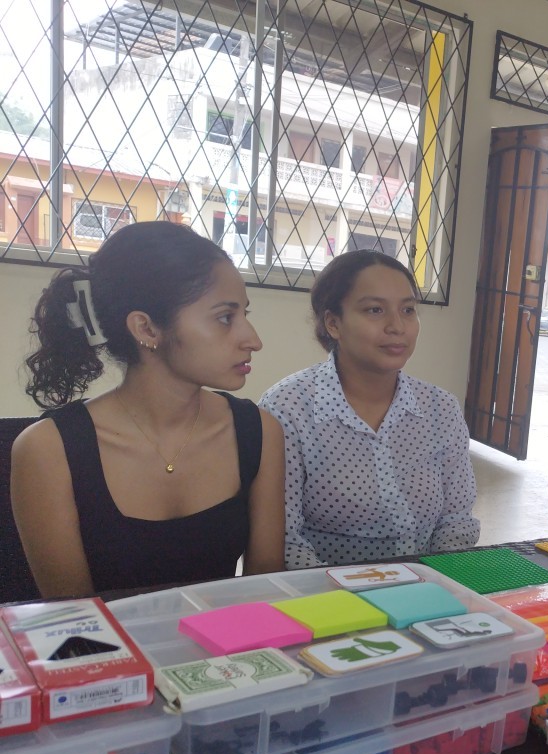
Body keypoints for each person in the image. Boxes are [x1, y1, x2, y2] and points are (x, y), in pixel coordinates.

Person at [11, 221, 285, 597]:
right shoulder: (48, 449)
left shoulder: (259, 431)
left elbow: (263, 588)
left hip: (223, 636)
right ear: (146, 328)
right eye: (225, 318)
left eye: (245, 315)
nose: (253, 340)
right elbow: (74, 617)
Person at [260, 250, 479, 569]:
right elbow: (284, 541)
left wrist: (435, 581)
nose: (397, 326)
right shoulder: (287, 410)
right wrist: (345, 594)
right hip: (326, 593)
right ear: (333, 323)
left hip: (427, 587)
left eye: (408, 310)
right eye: (375, 310)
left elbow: (457, 520)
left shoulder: (439, 408)